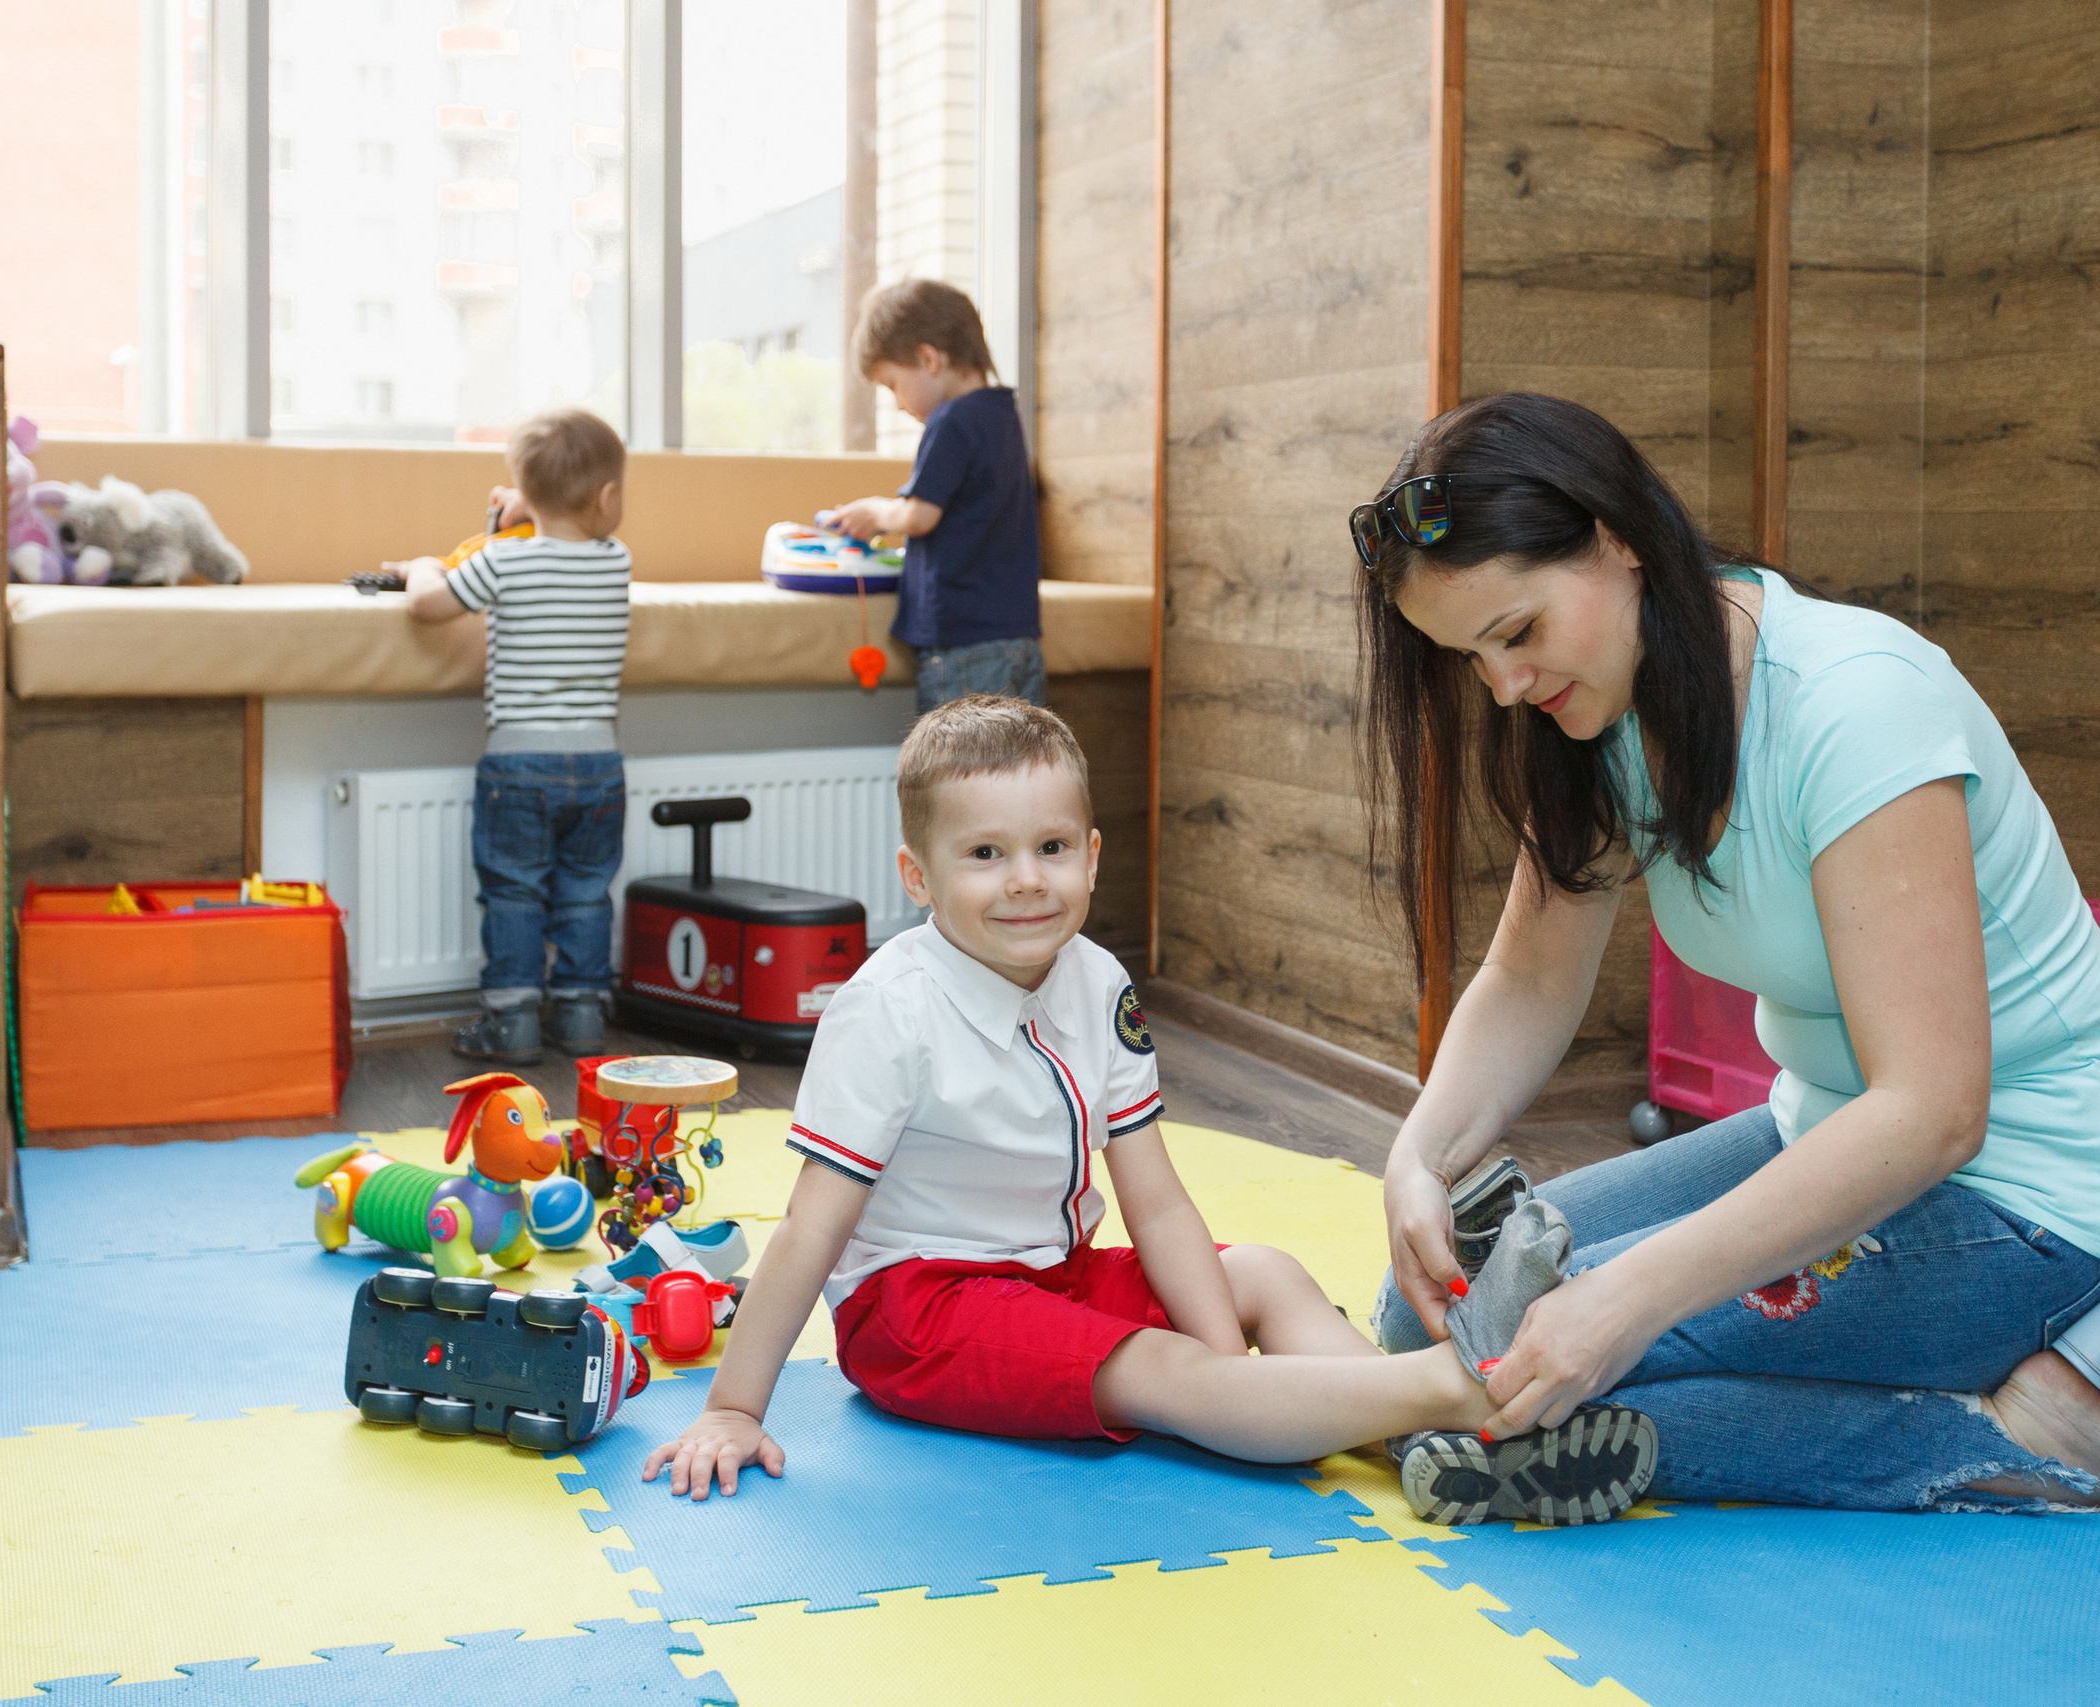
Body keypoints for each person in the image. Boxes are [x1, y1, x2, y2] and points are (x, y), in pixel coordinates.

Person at [1352, 392, 2100, 1519]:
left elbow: (1933, 1112)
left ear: (1618, 540)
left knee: (1513, 1373)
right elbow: (1529, 977)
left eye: (1517, 633)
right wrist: (1420, 1154)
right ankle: (1970, 1397)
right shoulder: (1595, 715)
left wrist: (1627, 1299)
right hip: (1828, 1136)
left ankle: (2046, 1445)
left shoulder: (1855, 703)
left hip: (2037, 1204)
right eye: (1470, 657)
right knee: (1426, 1318)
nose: (1504, 686)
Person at [645, 696, 1659, 1526]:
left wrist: (1229, 1361)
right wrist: (734, 1407)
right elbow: (809, 1230)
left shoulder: (1095, 980)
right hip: (919, 1310)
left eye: (1050, 846)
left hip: (1054, 1274)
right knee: (1167, 1372)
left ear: (1091, 855)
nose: (1027, 881)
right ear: (919, 876)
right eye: (985, 854)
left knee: (1263, 1273)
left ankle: (1427, 1443)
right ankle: (1468, 1392)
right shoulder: (887, 1010)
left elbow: (1158, 1202)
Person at [400, 406, 633, 1064]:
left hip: (519, 763)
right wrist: (534, 502)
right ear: (607, 497)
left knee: (514, 892)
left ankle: (512, 1021)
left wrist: (421, 565)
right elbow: (568, 531)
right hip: (599, 765)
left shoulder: (503, 561)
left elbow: (428, 603)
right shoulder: (616, 560)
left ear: (526, 495)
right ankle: (582, 1012)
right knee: (585, 892)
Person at [824, 280, 1046, 715]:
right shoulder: (1003, 414)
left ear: (929, 359)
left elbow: (919, 516)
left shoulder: (951, 421)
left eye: (892, 384)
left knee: (955, 758)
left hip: (963, 644)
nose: (897, 404)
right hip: (1018, 639)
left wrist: (875, 512)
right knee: (1019, 752)